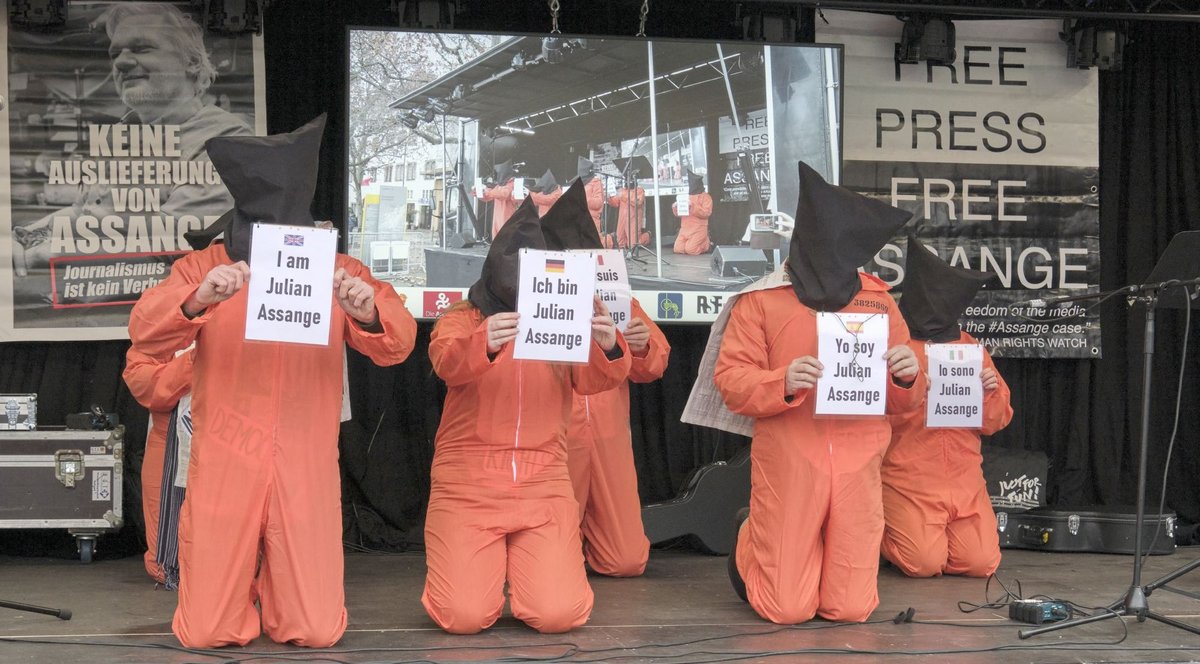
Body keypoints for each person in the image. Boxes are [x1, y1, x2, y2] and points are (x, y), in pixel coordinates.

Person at [128, 115, 417, 648]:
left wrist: (368, 311)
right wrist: (197, 300)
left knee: (316, 630)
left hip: (304, 457)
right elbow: (144, 331)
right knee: (204, 633)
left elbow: (398, 342)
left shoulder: (338, 268)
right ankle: (241, 591)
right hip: (226, 454)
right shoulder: (206, 266)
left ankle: (275, 592)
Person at [683, 161, 925, 625]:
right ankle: (753, 535)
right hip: (790, 460)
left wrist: (908, 376)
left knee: (851, 610)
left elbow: (904, 401)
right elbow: (732, 382)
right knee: (785, 609)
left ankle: (790, 548)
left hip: (859, 461)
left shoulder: (878, 301)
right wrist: (783, 381)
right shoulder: (761, 300)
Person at [422, 195, 631, 634]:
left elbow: (595, 380)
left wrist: (609, 344)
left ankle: (521, 571)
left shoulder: (567, 312)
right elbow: (444, 360)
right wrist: (483, 342)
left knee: (560, 615)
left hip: (544, 482)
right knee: (463, 617)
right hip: (468, 482)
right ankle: (482, 569)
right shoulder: (463, 317)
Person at [12, 3, 252, 277]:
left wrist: (39, 256)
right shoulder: (122, 136)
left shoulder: (227, 141)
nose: (121, 63)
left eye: (141, 48)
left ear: (192, 61)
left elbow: (174, 242)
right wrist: (23, 237)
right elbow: (84, 213)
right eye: (115, 53)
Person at [541, 181, 670, 577]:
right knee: (552, 563)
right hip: (557, 437)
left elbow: (655, 364)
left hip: (610, 435)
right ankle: (557, 547)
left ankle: (577, 542)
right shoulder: (537, 300)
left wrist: (643, 345)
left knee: (627, 561)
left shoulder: (620, 300)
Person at [881, 236, 1013, 578]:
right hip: (907, 475)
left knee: (981, 563)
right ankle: (878, 527)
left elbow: (996, 421)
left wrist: (990, 392)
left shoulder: (970, 348)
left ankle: (933, 537)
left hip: (964, 478)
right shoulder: (893, 344)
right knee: (923, 563)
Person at [472, 159, 518, 239]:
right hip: (497, 219)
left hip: (508, 219)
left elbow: (504, 194)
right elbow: (488, 197)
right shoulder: (499, 186)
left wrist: (486, 191)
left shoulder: (512, 184)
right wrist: (478, 192)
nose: (498, 175)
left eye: (499, 173)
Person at [672, 171, 712, 255]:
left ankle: (706, 244)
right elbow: (679, 214)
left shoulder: (706, 197)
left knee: (691, 250)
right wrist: (675, 207)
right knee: (678, 249)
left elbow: (706, 213)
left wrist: (692, 206)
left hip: (699, 228)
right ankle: (694, 243)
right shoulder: (686, 197)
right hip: (685, 228)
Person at [607, 177, 649, 250]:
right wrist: (608, 198)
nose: (627, 182)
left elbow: (637, 202)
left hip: (633, 220)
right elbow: (616, 203)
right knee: (619, 243)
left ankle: (647, 236)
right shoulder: (623, 191)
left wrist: (623, 195)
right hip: (622, 220)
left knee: (633, 244)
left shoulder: (639, 190)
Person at [574, 156, 605, 233]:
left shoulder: (596, 183)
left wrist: (583, 199)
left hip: (591, 220)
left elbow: (598, 203)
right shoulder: (578, 183)